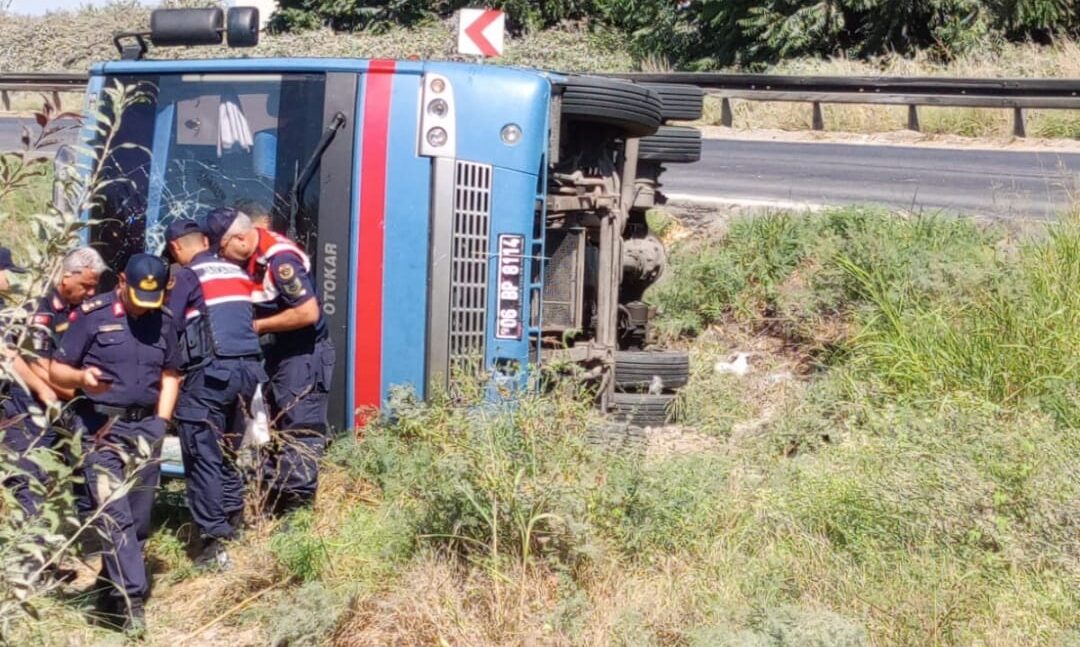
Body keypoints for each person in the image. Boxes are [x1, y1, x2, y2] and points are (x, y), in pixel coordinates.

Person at [50, 254, 180, 635]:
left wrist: (162, 422)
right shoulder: (92, 315)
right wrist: (82, 379)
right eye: (138, 297)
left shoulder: (164, 320)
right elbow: (57, 369)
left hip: (146, 432)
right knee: (115, 514)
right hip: (100, 430)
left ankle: (107, 595)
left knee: (137, 523)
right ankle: (131, 602)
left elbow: (171, 373)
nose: (145, 307)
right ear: (122, 281)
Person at [204, 208, 334, 514]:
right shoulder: (249, 258)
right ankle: (274, 506)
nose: (224, 258)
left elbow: (307, 312)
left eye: (223, 250)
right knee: (274, 426)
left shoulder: (280, 260)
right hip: (278, 354)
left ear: (240, 238)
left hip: (303, 354)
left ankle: (297, 515)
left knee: (300, 427)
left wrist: (257, 327)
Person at [165, 218, 265, 569]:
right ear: (206, 240)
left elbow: (168, 325)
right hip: (248, 374)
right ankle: (234, 526)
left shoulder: (188, 277)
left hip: (210, 377)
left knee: (202, 455)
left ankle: (212, 545)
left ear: (176, 248)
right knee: (226, 454)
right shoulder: (237, 272)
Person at [2, 248, 105, 532]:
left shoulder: (83, 309)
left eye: (95, 285)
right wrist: (82, 394)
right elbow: (36, 363)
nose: (91, 291)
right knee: (29, 478)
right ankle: (32, 558)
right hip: (30, 405)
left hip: (65, 402)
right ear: (66, 277)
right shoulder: (41, 307)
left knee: (83, 470)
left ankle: (87, 539)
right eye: (86, 284)